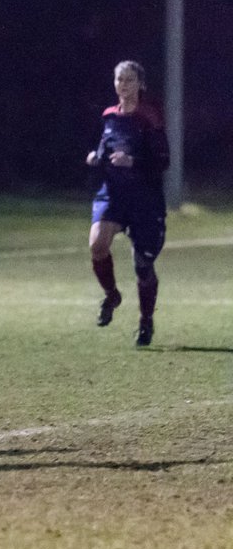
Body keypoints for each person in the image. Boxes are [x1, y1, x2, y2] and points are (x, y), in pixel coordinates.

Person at [86, 61, 169, 347]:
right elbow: (103, 148)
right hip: (114, 194)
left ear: (140, 84)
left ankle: (146, 321)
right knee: (97, 245)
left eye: (129, 80)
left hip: (145, 199)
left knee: (143, 265)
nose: (123, 85)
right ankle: (112, 295)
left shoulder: (150, 117)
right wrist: (95, 158)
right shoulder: (109, 116)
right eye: (119, 79)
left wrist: (132, 161)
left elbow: (163, 160)